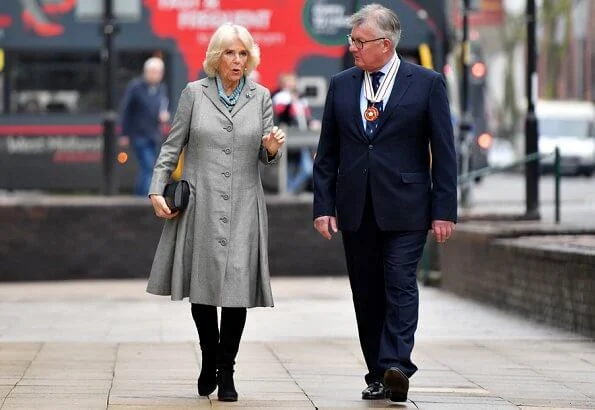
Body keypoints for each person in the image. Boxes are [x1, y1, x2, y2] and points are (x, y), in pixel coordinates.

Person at [312, 4, 457, 403]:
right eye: (351, 40)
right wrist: (323, 205)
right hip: (356, 207)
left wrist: (444, 210)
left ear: (385, 44)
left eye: (359, 42)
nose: (353, 48)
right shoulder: (342, 84)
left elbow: (444, 151)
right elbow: (328, 153)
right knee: (367, 290)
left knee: (399, 281)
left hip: (408, 206)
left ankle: (397, 364)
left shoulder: (426, 83)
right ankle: (377, 372)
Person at [145, 23, 286, 402]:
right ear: (216, 57)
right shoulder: (193, 93)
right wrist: (156, 188)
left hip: (244, 204)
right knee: (203, 290)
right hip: (201, 203)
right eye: (229, 53)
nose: (237, 61)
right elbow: (172, 146)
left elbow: (266, 155)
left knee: (236, 290)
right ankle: (210, 357)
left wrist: (271, 147)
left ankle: (227, 371)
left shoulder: (261, 97)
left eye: (243, 54)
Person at [120, 57, 170, 196]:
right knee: (148, 166)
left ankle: (140, 196)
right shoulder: (135, 87)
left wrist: (164, 116)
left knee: (148, 167)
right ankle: (143, 198)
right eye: (153, 72)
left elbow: (163, 107)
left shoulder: (161, 89)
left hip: (154, 135)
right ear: (145, 71)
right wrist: (124, 134)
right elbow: (126, 111)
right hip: (139, 135)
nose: (156, 75)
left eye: (159, 72)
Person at [272, 73, 320, 194]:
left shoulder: (301, 99)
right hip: (287, 137)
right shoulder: (280, 97)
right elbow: (282, 117)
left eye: (293, 82)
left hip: (302, 138)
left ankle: (290, 191)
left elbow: (306, 117)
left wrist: (312, 123)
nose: (292, 84)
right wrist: (290, 102)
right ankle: (289, 191)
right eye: (289, 82)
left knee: (307, 168)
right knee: (288, 168)